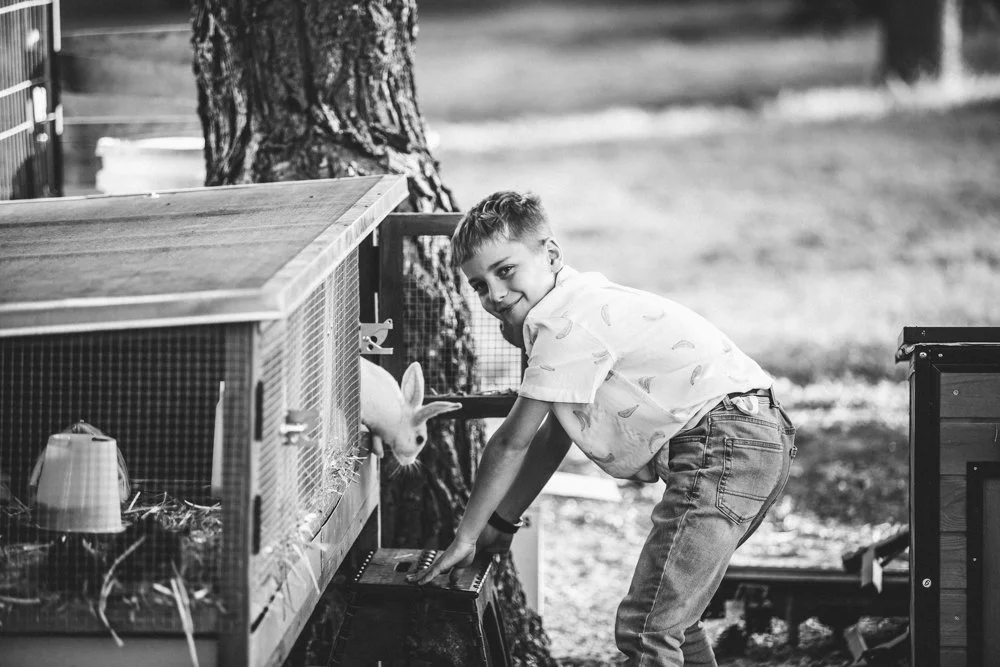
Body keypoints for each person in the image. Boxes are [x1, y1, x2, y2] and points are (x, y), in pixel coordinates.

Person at [408, 191, 797, 666]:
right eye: (479, 286)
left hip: (725, 446)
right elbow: (554, 435)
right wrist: (501, 520)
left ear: (550, 254)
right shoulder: (574, 304)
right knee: (671, 621)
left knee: (648, 626)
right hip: (754, 440)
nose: (495, 295)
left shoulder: (565, 324)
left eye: (505, 271)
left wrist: (467, 536)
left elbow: (513, 441)